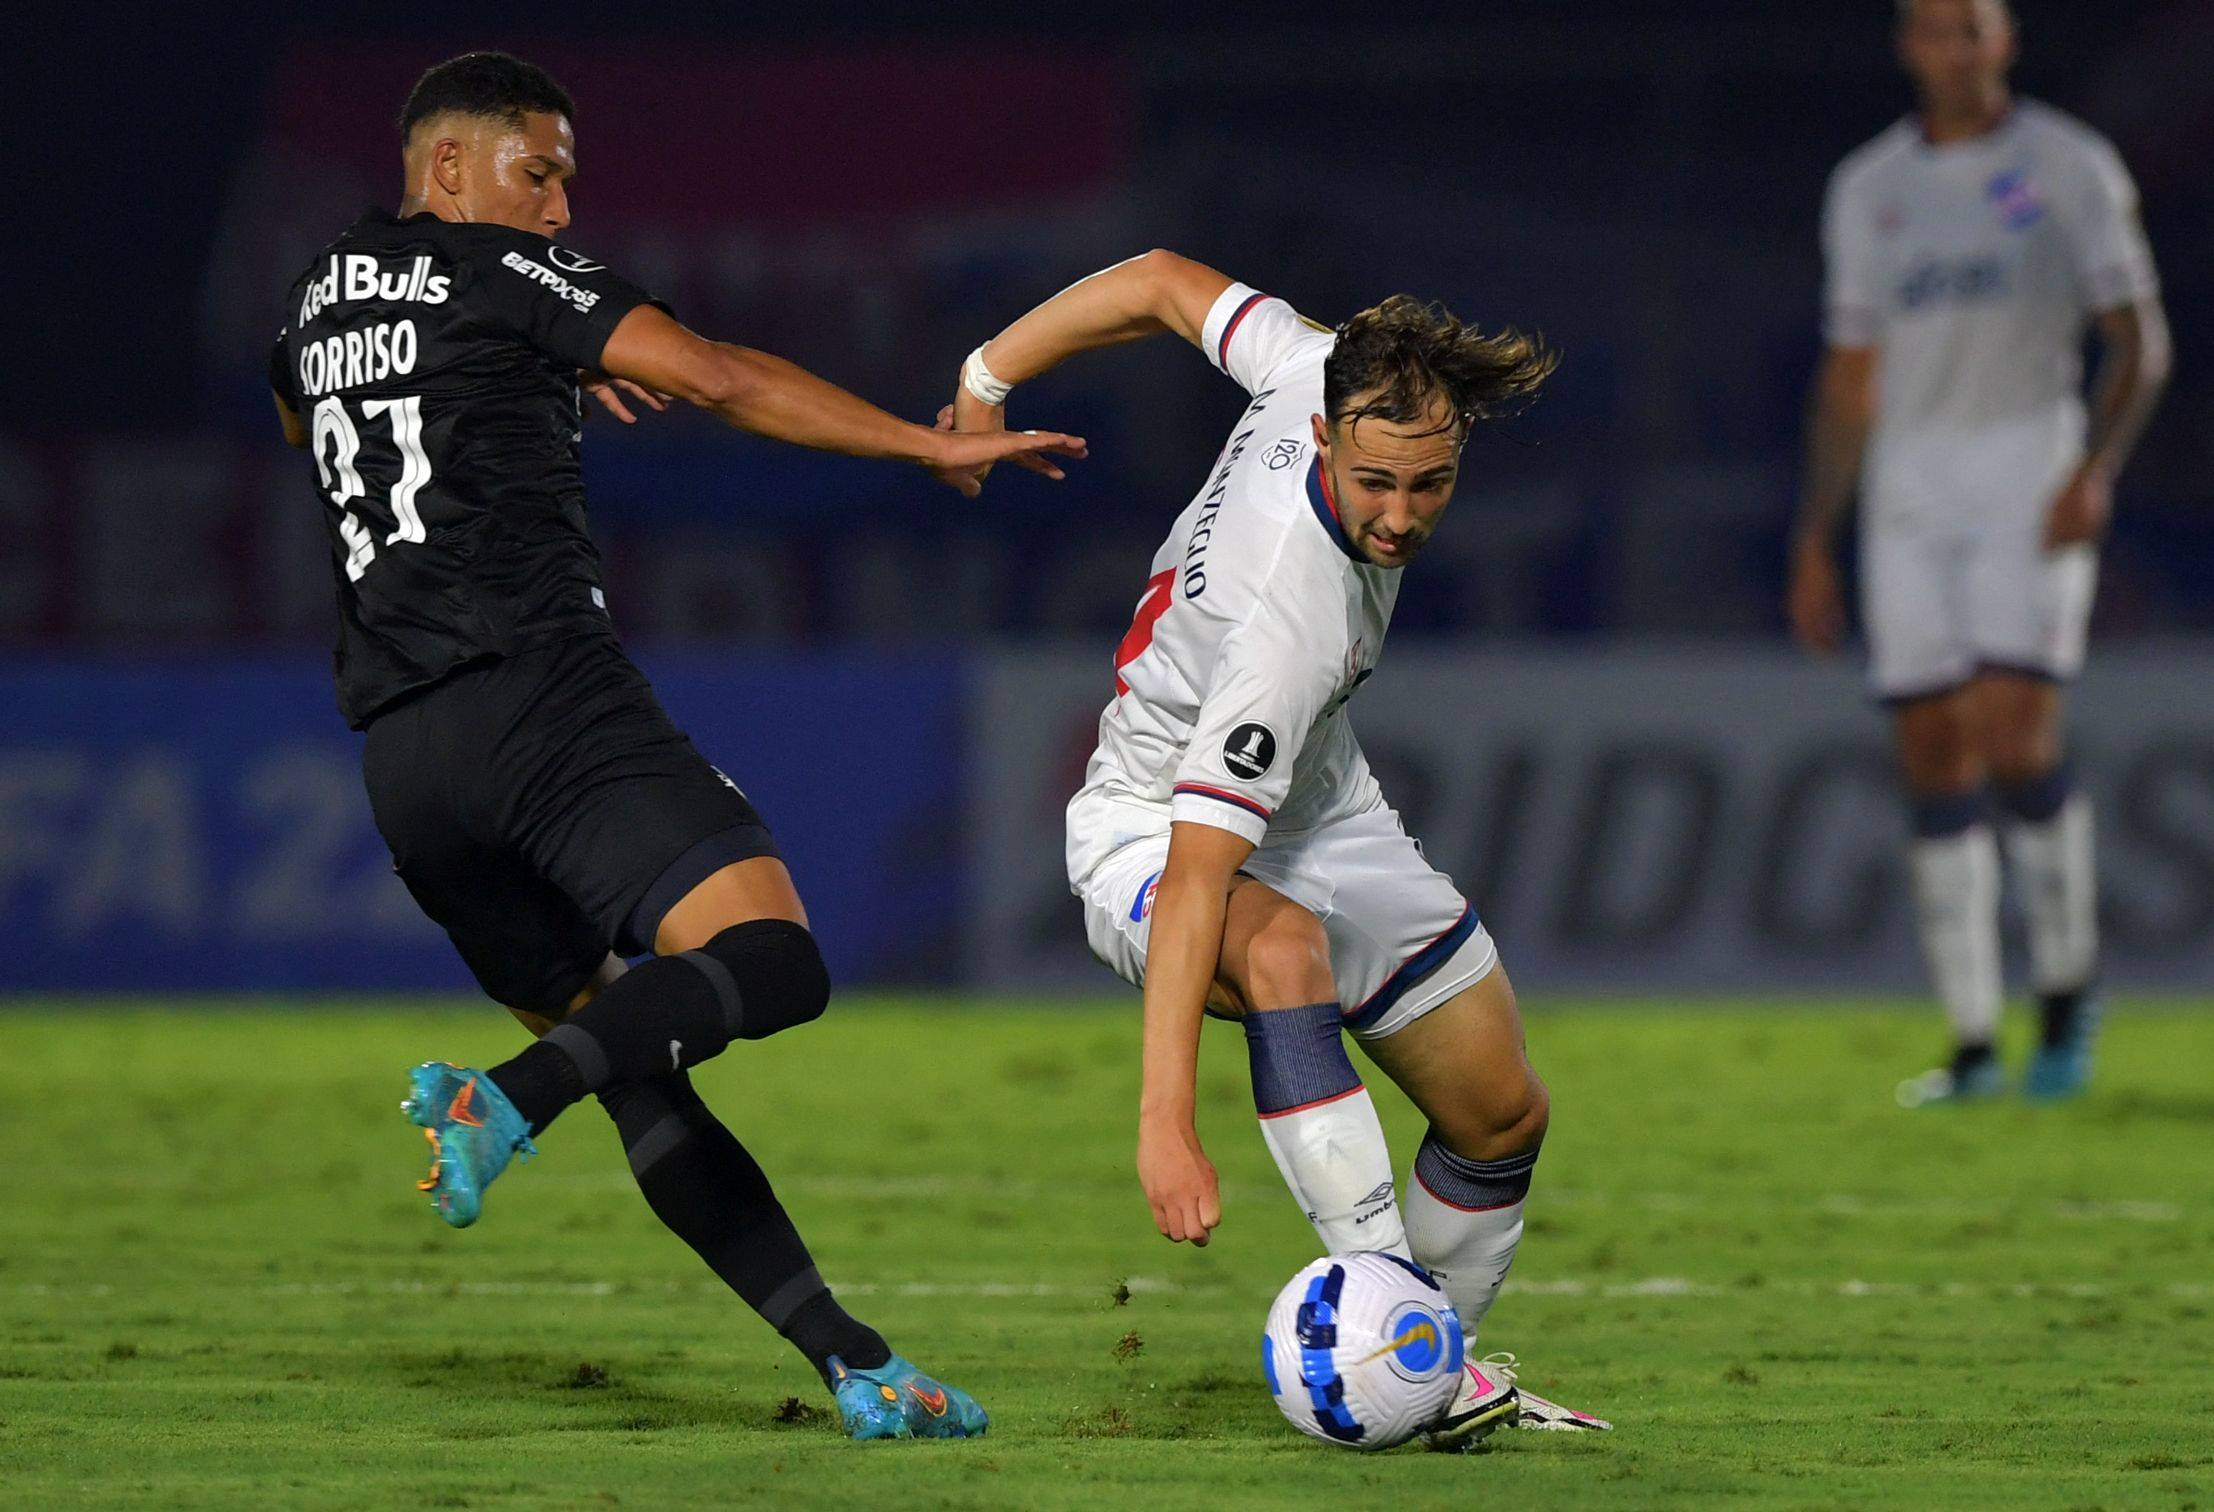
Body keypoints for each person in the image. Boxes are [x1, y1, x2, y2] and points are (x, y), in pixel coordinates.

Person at [268, 51, 1084, 1440]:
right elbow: (712, 375)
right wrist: (921, 448)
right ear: (450, 169)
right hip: (540, 697)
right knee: (774, 961)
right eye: (540, 172)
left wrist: (514, 389)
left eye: (570, 177)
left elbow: (317, 422)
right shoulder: (504, 272)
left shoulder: (312, 300)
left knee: (631, 1068)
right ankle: (504, 1098)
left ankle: (855, 1364)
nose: (560, 204)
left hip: (407, 771)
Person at [942, 249, 1608, 1443]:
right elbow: (1201, 883)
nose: (1399, 515)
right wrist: (1165, 1122)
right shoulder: (1284, 625)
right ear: (1331, 440)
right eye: (1374, 486)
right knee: (1285, 949)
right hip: (1149, 826)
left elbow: (1154, 282)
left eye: (1431, 485)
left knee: (1502, 1115)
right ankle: (1406, 1348)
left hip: (1320, 801)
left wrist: (987, 373)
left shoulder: (1315, 359)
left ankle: (1424, 1380)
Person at [1786, 0, 2170, 1106]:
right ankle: (1968, 1042)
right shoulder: (1869, 187)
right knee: (1932, 751)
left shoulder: (2068, 164)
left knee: (2015, 733)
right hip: (1909, 491)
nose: (1952, 46)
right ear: (1908, 44)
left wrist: (2094, 466)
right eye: (1932, 27)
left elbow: (2140, 342)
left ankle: (2064, 998)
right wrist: (1816, 535)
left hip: (2028, 476)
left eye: (1972, 26)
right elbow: (1851, 372)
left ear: (2005, 38)